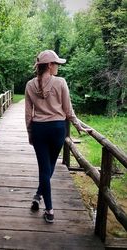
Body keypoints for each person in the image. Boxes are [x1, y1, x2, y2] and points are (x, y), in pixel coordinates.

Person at [25, 49, 91, 223]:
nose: (58, 68)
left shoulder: (29, 85)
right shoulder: (60, 82)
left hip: (39, 129)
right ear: (49, 65)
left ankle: (42, 199)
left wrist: (30, 133)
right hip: (57, 129)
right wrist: (78, 125)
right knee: (49, 167)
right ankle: (48, 208)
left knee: (45, 169)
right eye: (56, 64)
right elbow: (68, 110)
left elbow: (28, 114)